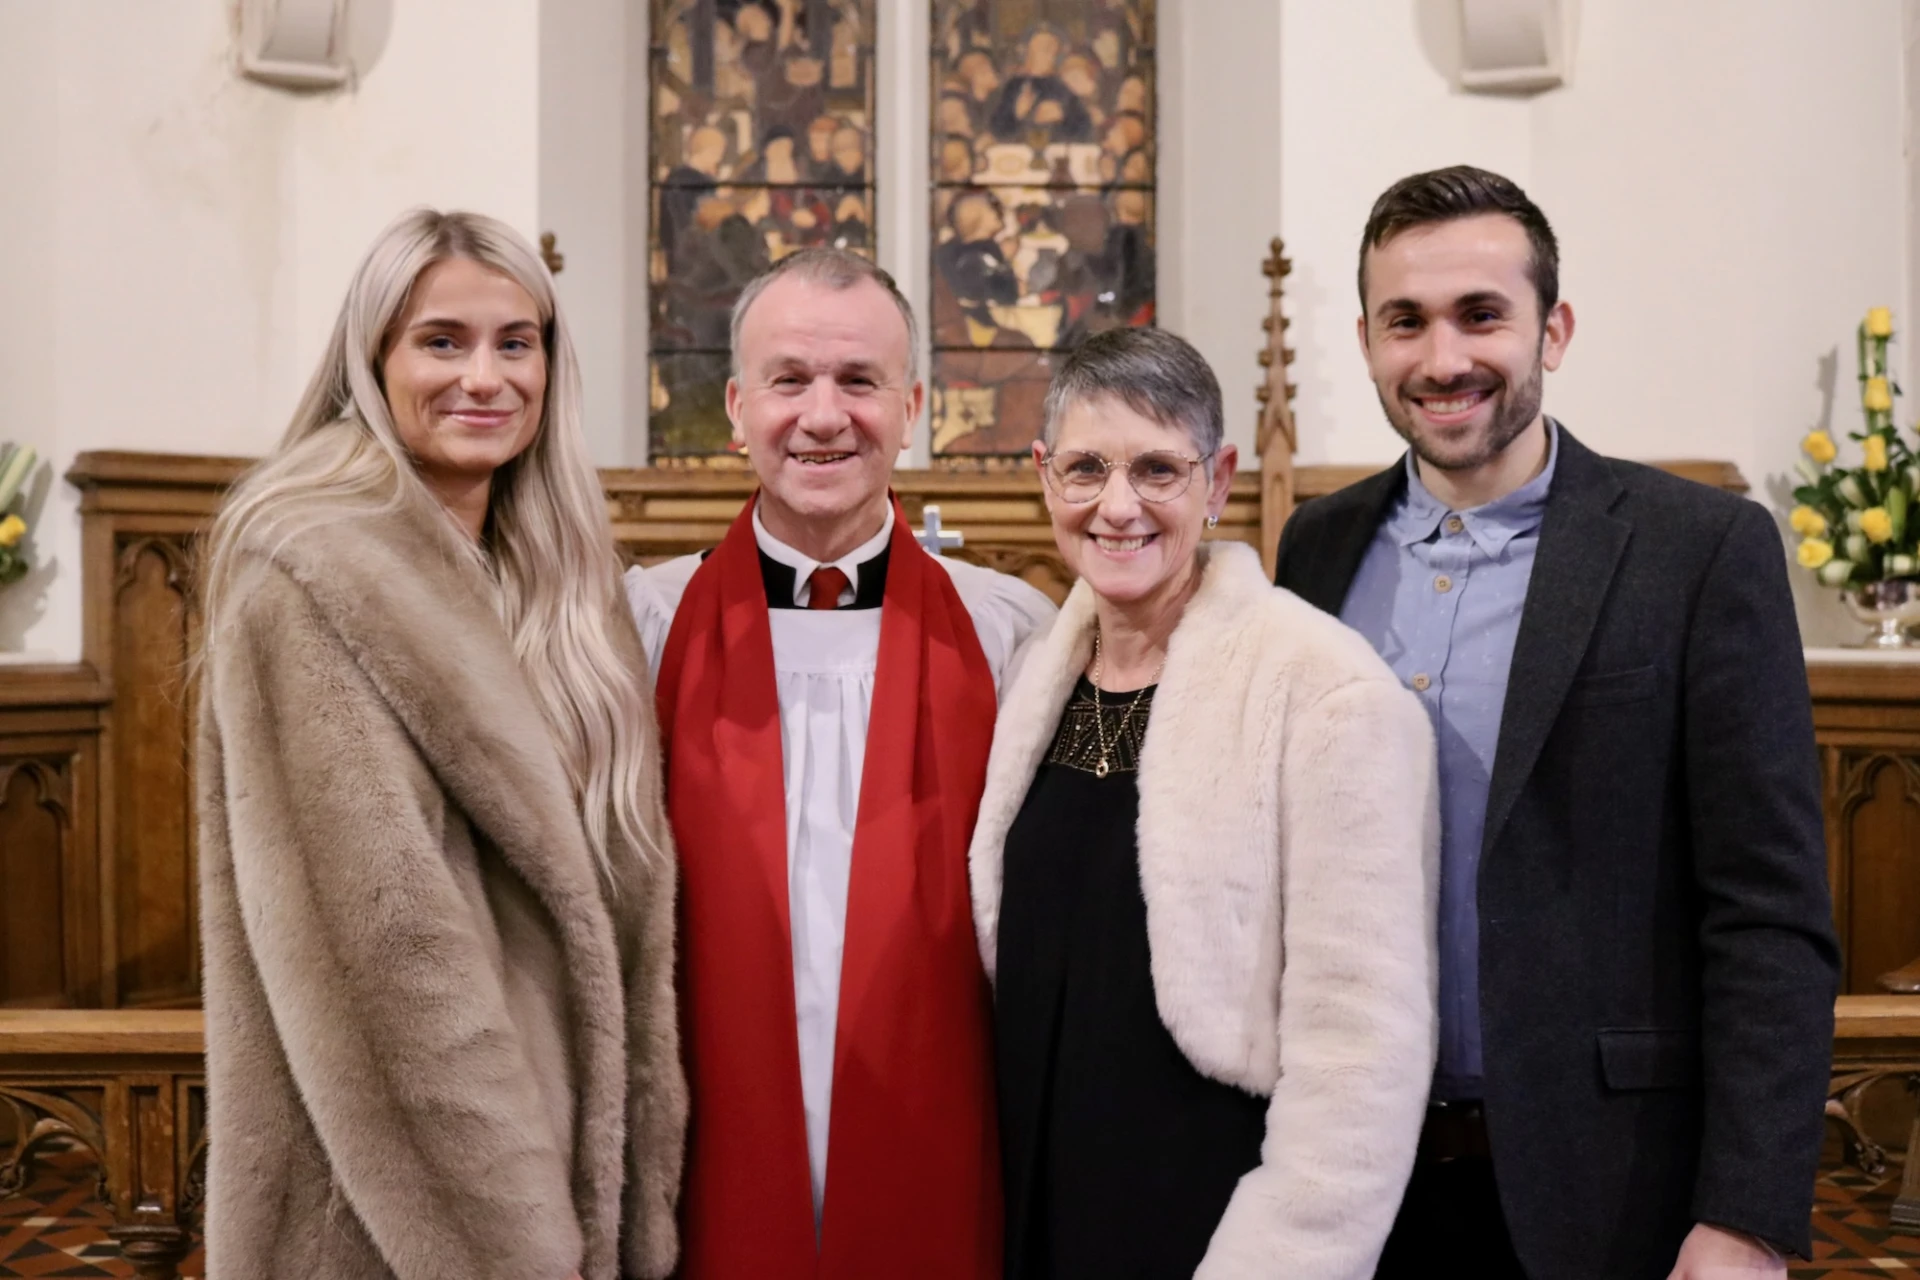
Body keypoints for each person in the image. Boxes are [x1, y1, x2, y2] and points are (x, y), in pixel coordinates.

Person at [1272, 165, 1840, 1279]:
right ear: (1368, 337)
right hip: (1352, 1183)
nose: (1444, 359)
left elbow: (1770, 913)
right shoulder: (1316, 547)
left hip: (1605, 1182)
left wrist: (1750, 1214)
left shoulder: (1696, 549)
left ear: (1554, 328)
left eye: (1482, 314)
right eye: (1408, 321)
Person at [196, 209, 686, 1279]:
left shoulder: (556, 580)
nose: (487, 377)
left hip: (555, 1182)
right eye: (442, 341)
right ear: (373, 359)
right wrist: (513, 1247)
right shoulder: (315, 573)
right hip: (404, 1219)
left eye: (518, 342)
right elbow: (388, 962)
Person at [971, 326, 1440, 1279]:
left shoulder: (1323, 690)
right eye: (1085, 468)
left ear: (1219, 480)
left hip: (1205, 1214)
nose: (1117, 506)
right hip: (1036, 1195)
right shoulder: (1033, 677)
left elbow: (1362, 1053)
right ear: (1042, 476)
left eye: (1156, 469)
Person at [625, 247, 1055, 1278]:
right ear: (737, 407)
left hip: (939, 1127)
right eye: (790, 380)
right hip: (704, 1134)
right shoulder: (640, 624)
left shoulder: (1009, 631)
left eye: (859, 381)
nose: (825, 415)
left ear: (912, 406)